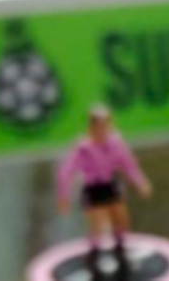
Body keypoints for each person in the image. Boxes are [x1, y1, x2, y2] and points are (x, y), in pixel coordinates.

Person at [57, 105, 153, 270]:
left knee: (122, 219)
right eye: (98, 125)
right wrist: (63, 196)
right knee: (99, 226)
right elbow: (66, 172)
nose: (102, 130)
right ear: (91, 126)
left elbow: (128, 164)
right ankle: (93, 254)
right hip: (93, 189)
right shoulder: (83, 148)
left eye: (105, 125)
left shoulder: (115, 143)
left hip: (110, 185)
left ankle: (120, 249)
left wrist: (140, 182)